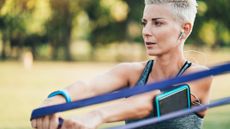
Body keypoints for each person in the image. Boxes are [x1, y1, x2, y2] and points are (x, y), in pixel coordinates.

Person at [31, 0, 213, 129]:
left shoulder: (199, 77)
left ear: (185, 29)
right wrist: (55, 100)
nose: (146, 31)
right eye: (145, 23)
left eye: (157, 23)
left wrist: (96, 115)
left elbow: (151, 102)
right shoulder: (131, 72)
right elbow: (89, 87)